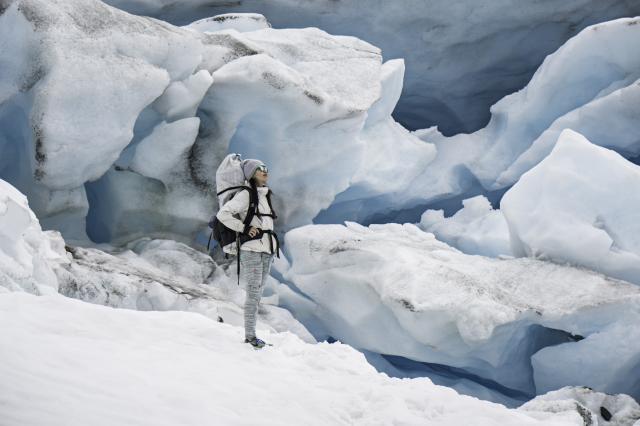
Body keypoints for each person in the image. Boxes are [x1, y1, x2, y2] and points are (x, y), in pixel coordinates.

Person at [215, 159, 278, 348]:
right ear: (251, 174)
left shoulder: (264, 195)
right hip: (251, 249)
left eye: (266, 168)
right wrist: (243, 228)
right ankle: (250, 337)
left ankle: (253, 335)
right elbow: (223, 215)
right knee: (253, 293)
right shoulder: (245, 194)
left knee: (257, 294)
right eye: (260, 169)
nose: (265, 171)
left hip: (266, 250)